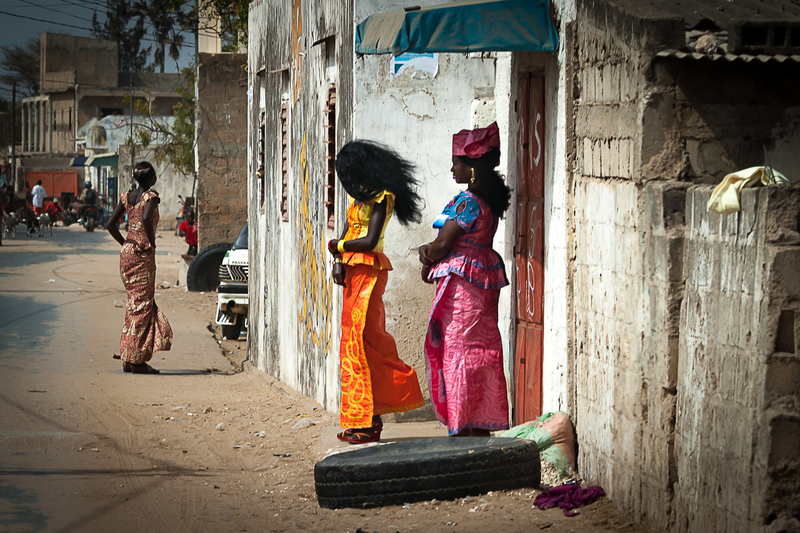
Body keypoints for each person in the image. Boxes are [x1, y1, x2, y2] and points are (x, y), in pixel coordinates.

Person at [327, 140, 425, 444]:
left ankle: (371, 420)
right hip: (351, 272)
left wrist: (339, 247)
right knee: (353, 346)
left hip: (369, 271)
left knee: (363, 342)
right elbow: (345, 233)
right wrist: (338, 259)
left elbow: (368, 241)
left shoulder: (383, 198)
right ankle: (361, 419)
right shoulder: (358, 199)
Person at [417, 122, 512, 437]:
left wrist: (426, 253)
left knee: (458, 352)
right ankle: (480, 422)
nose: (452, 168)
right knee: (481, 352)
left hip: (464, 291)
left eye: (457, 162)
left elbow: (442, 244)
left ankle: (462, 424)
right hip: (483, 286)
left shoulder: (467, 202)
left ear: (471, 167)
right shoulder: (488, 202)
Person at [106, 162, 172, 373]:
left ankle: (128, 356)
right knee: (142, 306)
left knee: (133, 304)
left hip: (127, 254)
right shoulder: (150, 197)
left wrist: (126, 242)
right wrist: (151, 243)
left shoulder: (127, 196)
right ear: (151, 178)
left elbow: (110, 224)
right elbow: (145, 218)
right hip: (142, 254)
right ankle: (136, 360)